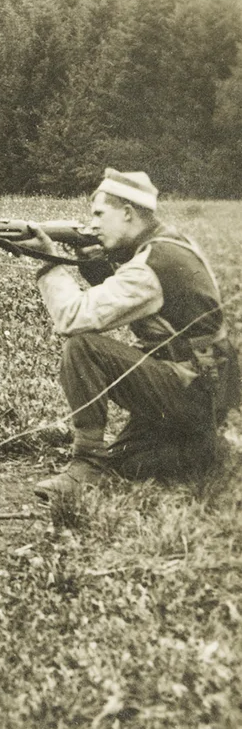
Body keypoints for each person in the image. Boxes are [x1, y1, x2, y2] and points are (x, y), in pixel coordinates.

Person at [26, 170, 236, 502]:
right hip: (207, 391)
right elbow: (150, 305)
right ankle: (197, 449)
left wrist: (47, 262)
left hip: (188, 389)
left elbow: (73, 317)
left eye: (99, 214)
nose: (93, 225)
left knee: (83, 347)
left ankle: (85, 466)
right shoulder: (171, 243)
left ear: (127, 212)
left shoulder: (149, 265)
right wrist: (98, 269)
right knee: (128, 464)